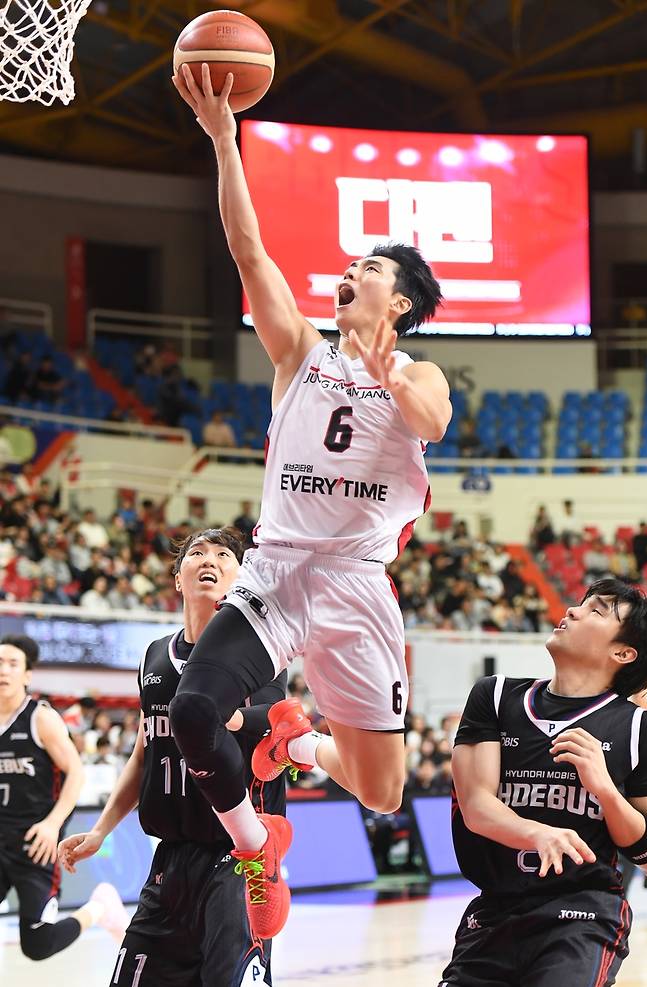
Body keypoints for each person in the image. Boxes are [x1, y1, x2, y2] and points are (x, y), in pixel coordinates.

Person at [170, 64, 451, 939]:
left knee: (381, 788)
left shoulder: (418, 371)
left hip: (359, 587)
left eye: (366, 267)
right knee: (191, 711)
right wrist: (226, 140)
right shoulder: (299, 353)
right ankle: (259, 847)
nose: (347, 271)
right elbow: (249, 251)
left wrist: (391, 380)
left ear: (396, 301)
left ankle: (290, 739)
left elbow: (434, 421)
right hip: (280, 570)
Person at [58, 527, 286, 987]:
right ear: (177, 578)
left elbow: (277, 725)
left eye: (224, 554)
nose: (210, 560)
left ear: (240, 577)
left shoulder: (261, 654)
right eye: (197, 553)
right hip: (170, 859)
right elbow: (146, 751)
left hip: (237, 859)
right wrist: (102, 829)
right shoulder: (153, 658)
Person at [439, 578, 647, 986]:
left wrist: (606, 791)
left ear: (623, 652)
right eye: (581, 602)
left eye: (597, 610)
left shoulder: (640, 728)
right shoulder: (496, 696)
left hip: (584, 915)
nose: (573, 610)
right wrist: (536, 832)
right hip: (493, 913)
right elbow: (475, 805)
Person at [0, 634, 126, 961]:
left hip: (35, 843)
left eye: (12, 664)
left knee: (38, 945)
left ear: (27, 675)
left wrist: (52, 825)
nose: (4, 670)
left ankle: (100, 907)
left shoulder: (40, 718)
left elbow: (76, 772)